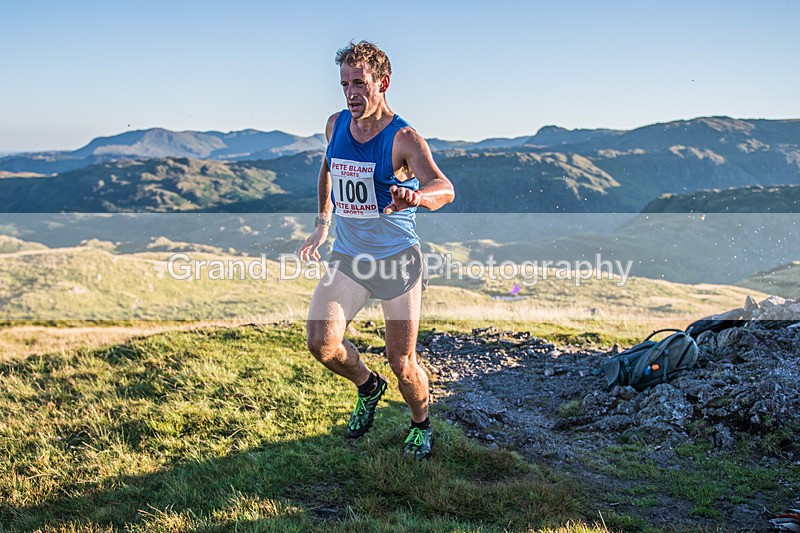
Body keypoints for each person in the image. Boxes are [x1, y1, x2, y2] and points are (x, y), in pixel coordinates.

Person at [297, 41, 455, 460]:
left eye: (359, 84)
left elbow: (444, 188)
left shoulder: (403, 138)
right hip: (350, 258)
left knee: (402, 362)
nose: (351, 94)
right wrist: (322, 224)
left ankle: (421, 423)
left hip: (398, 262)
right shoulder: (335, 125)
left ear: (382, 83)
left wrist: (417, 197)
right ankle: (368, 386)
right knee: (321, 342)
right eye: (344, 84)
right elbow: (329, 167)